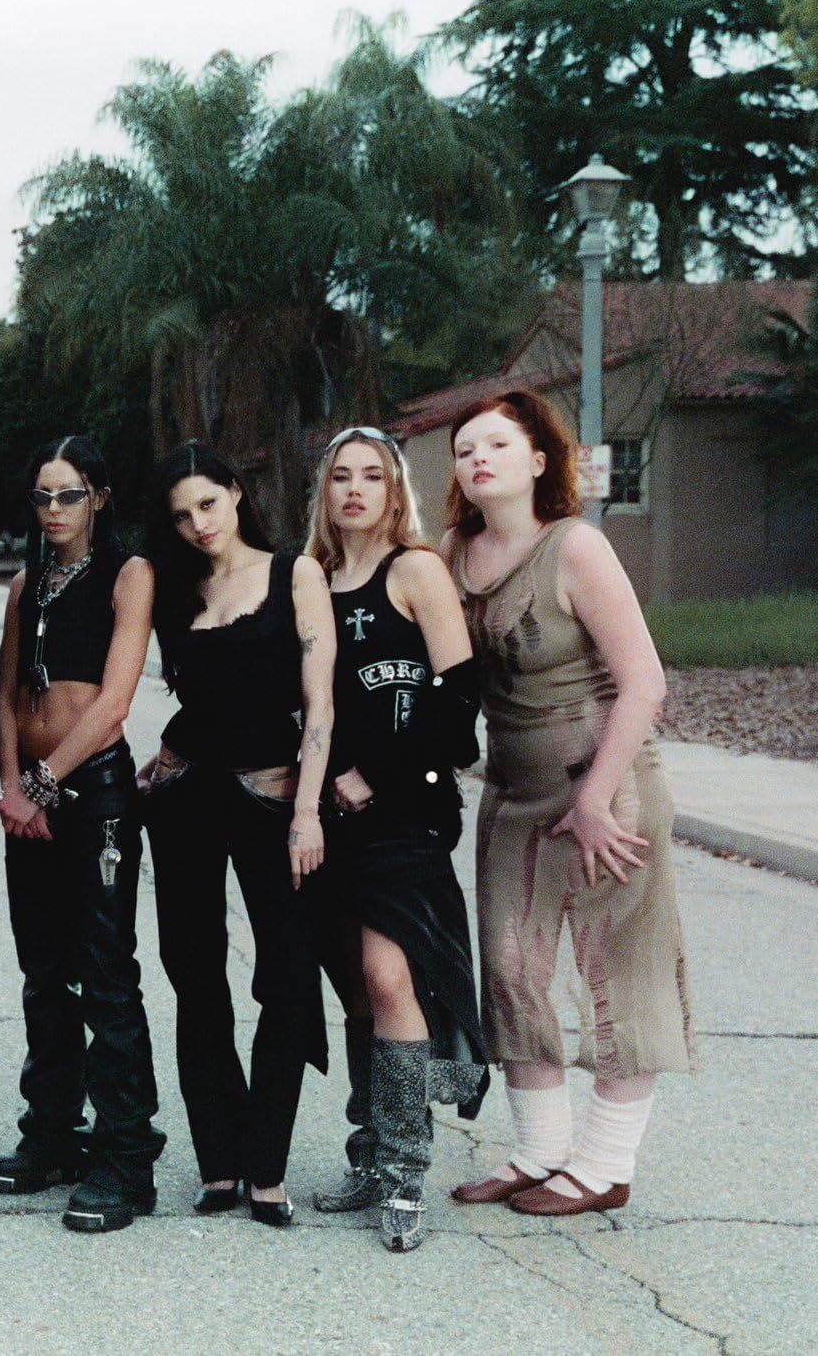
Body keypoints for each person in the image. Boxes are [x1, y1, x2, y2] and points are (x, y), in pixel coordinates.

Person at [441, 391, 695, 1217]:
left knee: (617, 969)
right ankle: (539, 1151)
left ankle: (606, 1165)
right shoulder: (452, 554)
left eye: (497, 444)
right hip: (512, 792)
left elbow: (644, 682)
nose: (479, 459)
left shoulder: (575, 546)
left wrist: (594, 800)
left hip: (607, 789)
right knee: (512, 966)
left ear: (539, 460)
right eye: (465, 449)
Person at [301, 427, 490, 1251]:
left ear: (394, 489)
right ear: (324, 491)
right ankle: (371, 1154)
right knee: (356, 988)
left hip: (404, 811)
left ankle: (408, 1169)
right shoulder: (312, 580)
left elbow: (459, 708)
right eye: (341, 476)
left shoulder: (414, 571)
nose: (355, 490)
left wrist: (372, 775)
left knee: (388, 977)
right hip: (326, 817)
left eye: (372, 476)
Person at [141, 441, 336, 1228]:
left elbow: (320, 704)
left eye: (208, 504)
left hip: (272, 795)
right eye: (181, 515)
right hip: (186, 793)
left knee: (287, 974)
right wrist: (162, 759)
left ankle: (267, 1165)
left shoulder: (295, 574)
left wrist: (308, 812)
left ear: (235, 494)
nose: (197, 524)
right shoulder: (176, 588)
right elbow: (192, 699)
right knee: (194, 973)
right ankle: (219, 1162)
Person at [0, 436, 164, 1233]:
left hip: (93, 795)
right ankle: (53, 1132)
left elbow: (114, 704)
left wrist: (44, 783)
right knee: (43, 971)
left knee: (105, 971)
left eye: (69, 494)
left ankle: (126, 1157)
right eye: (42, 496)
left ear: (99, 497)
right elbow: (4, 695)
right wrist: (12, 785)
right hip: (28, 799)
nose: (53, 510)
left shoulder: (130, 575)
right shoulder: (27, 581)